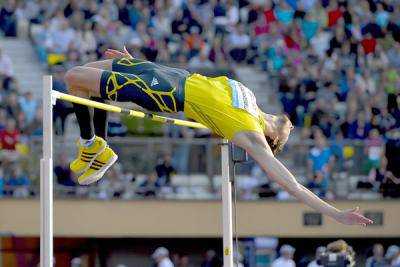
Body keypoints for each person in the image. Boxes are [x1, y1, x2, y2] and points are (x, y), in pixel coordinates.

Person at [63, 47, 373, 226]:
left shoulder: (251, 135)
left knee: (73, 77)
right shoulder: (249, 98)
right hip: (169, 74)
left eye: (288, 132)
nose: (290, 125)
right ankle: (97, 147)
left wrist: (336, 214)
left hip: (167, 92)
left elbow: (292, 185)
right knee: (84, 73)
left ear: (272, 139)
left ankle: (92, 146)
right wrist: (140, 62)